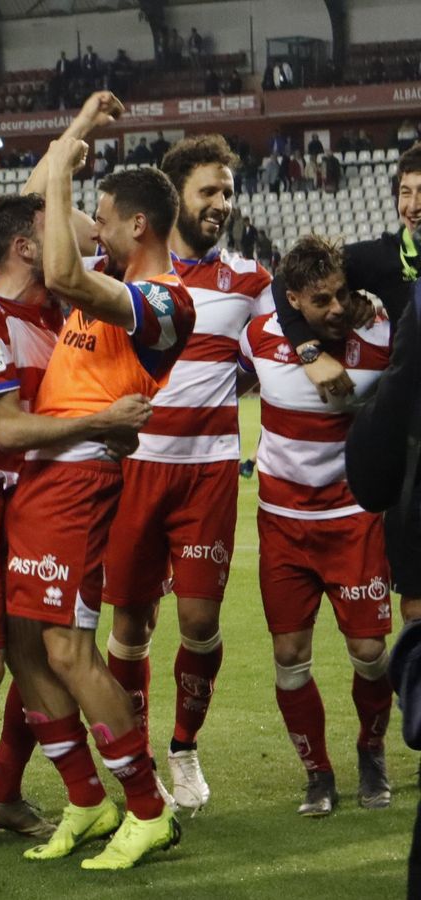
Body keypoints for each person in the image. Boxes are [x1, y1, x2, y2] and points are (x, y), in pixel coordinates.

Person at [0, 192, 151, 867]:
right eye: (55, 232)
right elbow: (8, 429)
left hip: (21, 498)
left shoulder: (56, 313)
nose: (73, 240)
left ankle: (12, 797)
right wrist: (102, 423)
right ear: (23, 248)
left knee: (36, 648)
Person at [4, 94, 195, 870]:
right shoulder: (115, 272)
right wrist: (75, 133)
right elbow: (33, 211)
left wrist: (65, 171)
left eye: (105, 220)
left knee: (69, 647)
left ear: (137, 226)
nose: (97, 229)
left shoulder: (164, 302)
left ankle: (148, 809)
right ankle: (86, 799)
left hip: (82, 477)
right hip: (42, 470)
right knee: (24, 643)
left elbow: (58, 268)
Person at [100, 135, 275, 814]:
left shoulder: (251, 282)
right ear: (176, 199)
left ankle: (183, 748)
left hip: (207, 477)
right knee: (132, 624)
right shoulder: (125, 271)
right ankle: (137, 759)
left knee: (200, 622)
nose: (222, 203)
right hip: (134, 472)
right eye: (209, 191)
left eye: (227, 192)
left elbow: (267, 365)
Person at [240, 235, 394, 815]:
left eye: (342, 295)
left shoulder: (378, 334)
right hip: (282, 523)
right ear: (294, 300)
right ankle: (318, 774)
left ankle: (371, 751)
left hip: (352, 519)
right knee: (289, 658)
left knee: (370, 652)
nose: (335, 309)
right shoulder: (259, 337)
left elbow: (391, 395)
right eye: (321, 300)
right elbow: (229, 382)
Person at [271, 145, 421, 621]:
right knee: (416, 596)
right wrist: (308, 351)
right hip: (415, 446)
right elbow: (287, 277)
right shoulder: (384, 257)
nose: (414, 205)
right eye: (405, 192)